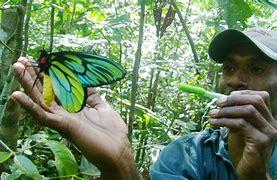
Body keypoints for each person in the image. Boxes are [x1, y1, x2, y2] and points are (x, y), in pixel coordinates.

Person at [11, 27, 277, 180]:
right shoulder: (184, 157)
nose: (235, 81)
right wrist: (121, 165)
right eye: (229, 67)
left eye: (256, 69)